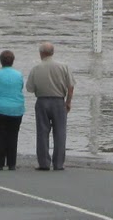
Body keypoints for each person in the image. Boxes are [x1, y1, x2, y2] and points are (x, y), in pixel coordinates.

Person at [25, 41, 76, 171]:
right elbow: (70, 86)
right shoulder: (63, 66)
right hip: (59, 101)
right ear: (53, 52)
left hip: (42, 101)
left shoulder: (36, 68)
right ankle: (58, 163)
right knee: (60, 133)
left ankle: (44, 163)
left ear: (41, 53)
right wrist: (68, 102)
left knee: (42, 133)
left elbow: (29, 89)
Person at [0, 49, 25, 171]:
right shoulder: (19, 75)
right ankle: (12, 163)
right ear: (13, 61)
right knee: (13, 136)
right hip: (16, 109)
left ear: (1, 61)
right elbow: (21, 86)